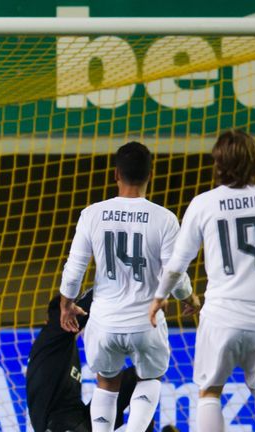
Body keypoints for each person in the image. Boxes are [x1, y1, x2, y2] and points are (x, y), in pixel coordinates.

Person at [148, 129, 255, 432]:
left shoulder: (204, 203)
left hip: (221, 315)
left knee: (209, 391)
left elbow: (177, 264)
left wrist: (160, 297)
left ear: (218, 164)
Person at [59, 141, 199, 432]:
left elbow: (74, 270)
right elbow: (175, 272)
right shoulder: (165, 219)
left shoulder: (92, 213)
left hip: (104, 321)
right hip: (145, 322)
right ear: (150, 175)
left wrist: (66, 304)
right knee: (150, 379)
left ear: (115, 174)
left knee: (106, 383)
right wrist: (189, 298)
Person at [27, 289, 156, 432]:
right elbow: (91, 301)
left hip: (76, 418)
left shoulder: (60, 347)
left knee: (140, 374)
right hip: (60, 425)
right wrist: (119, 282)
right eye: (74, 309)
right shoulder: (53, 331)